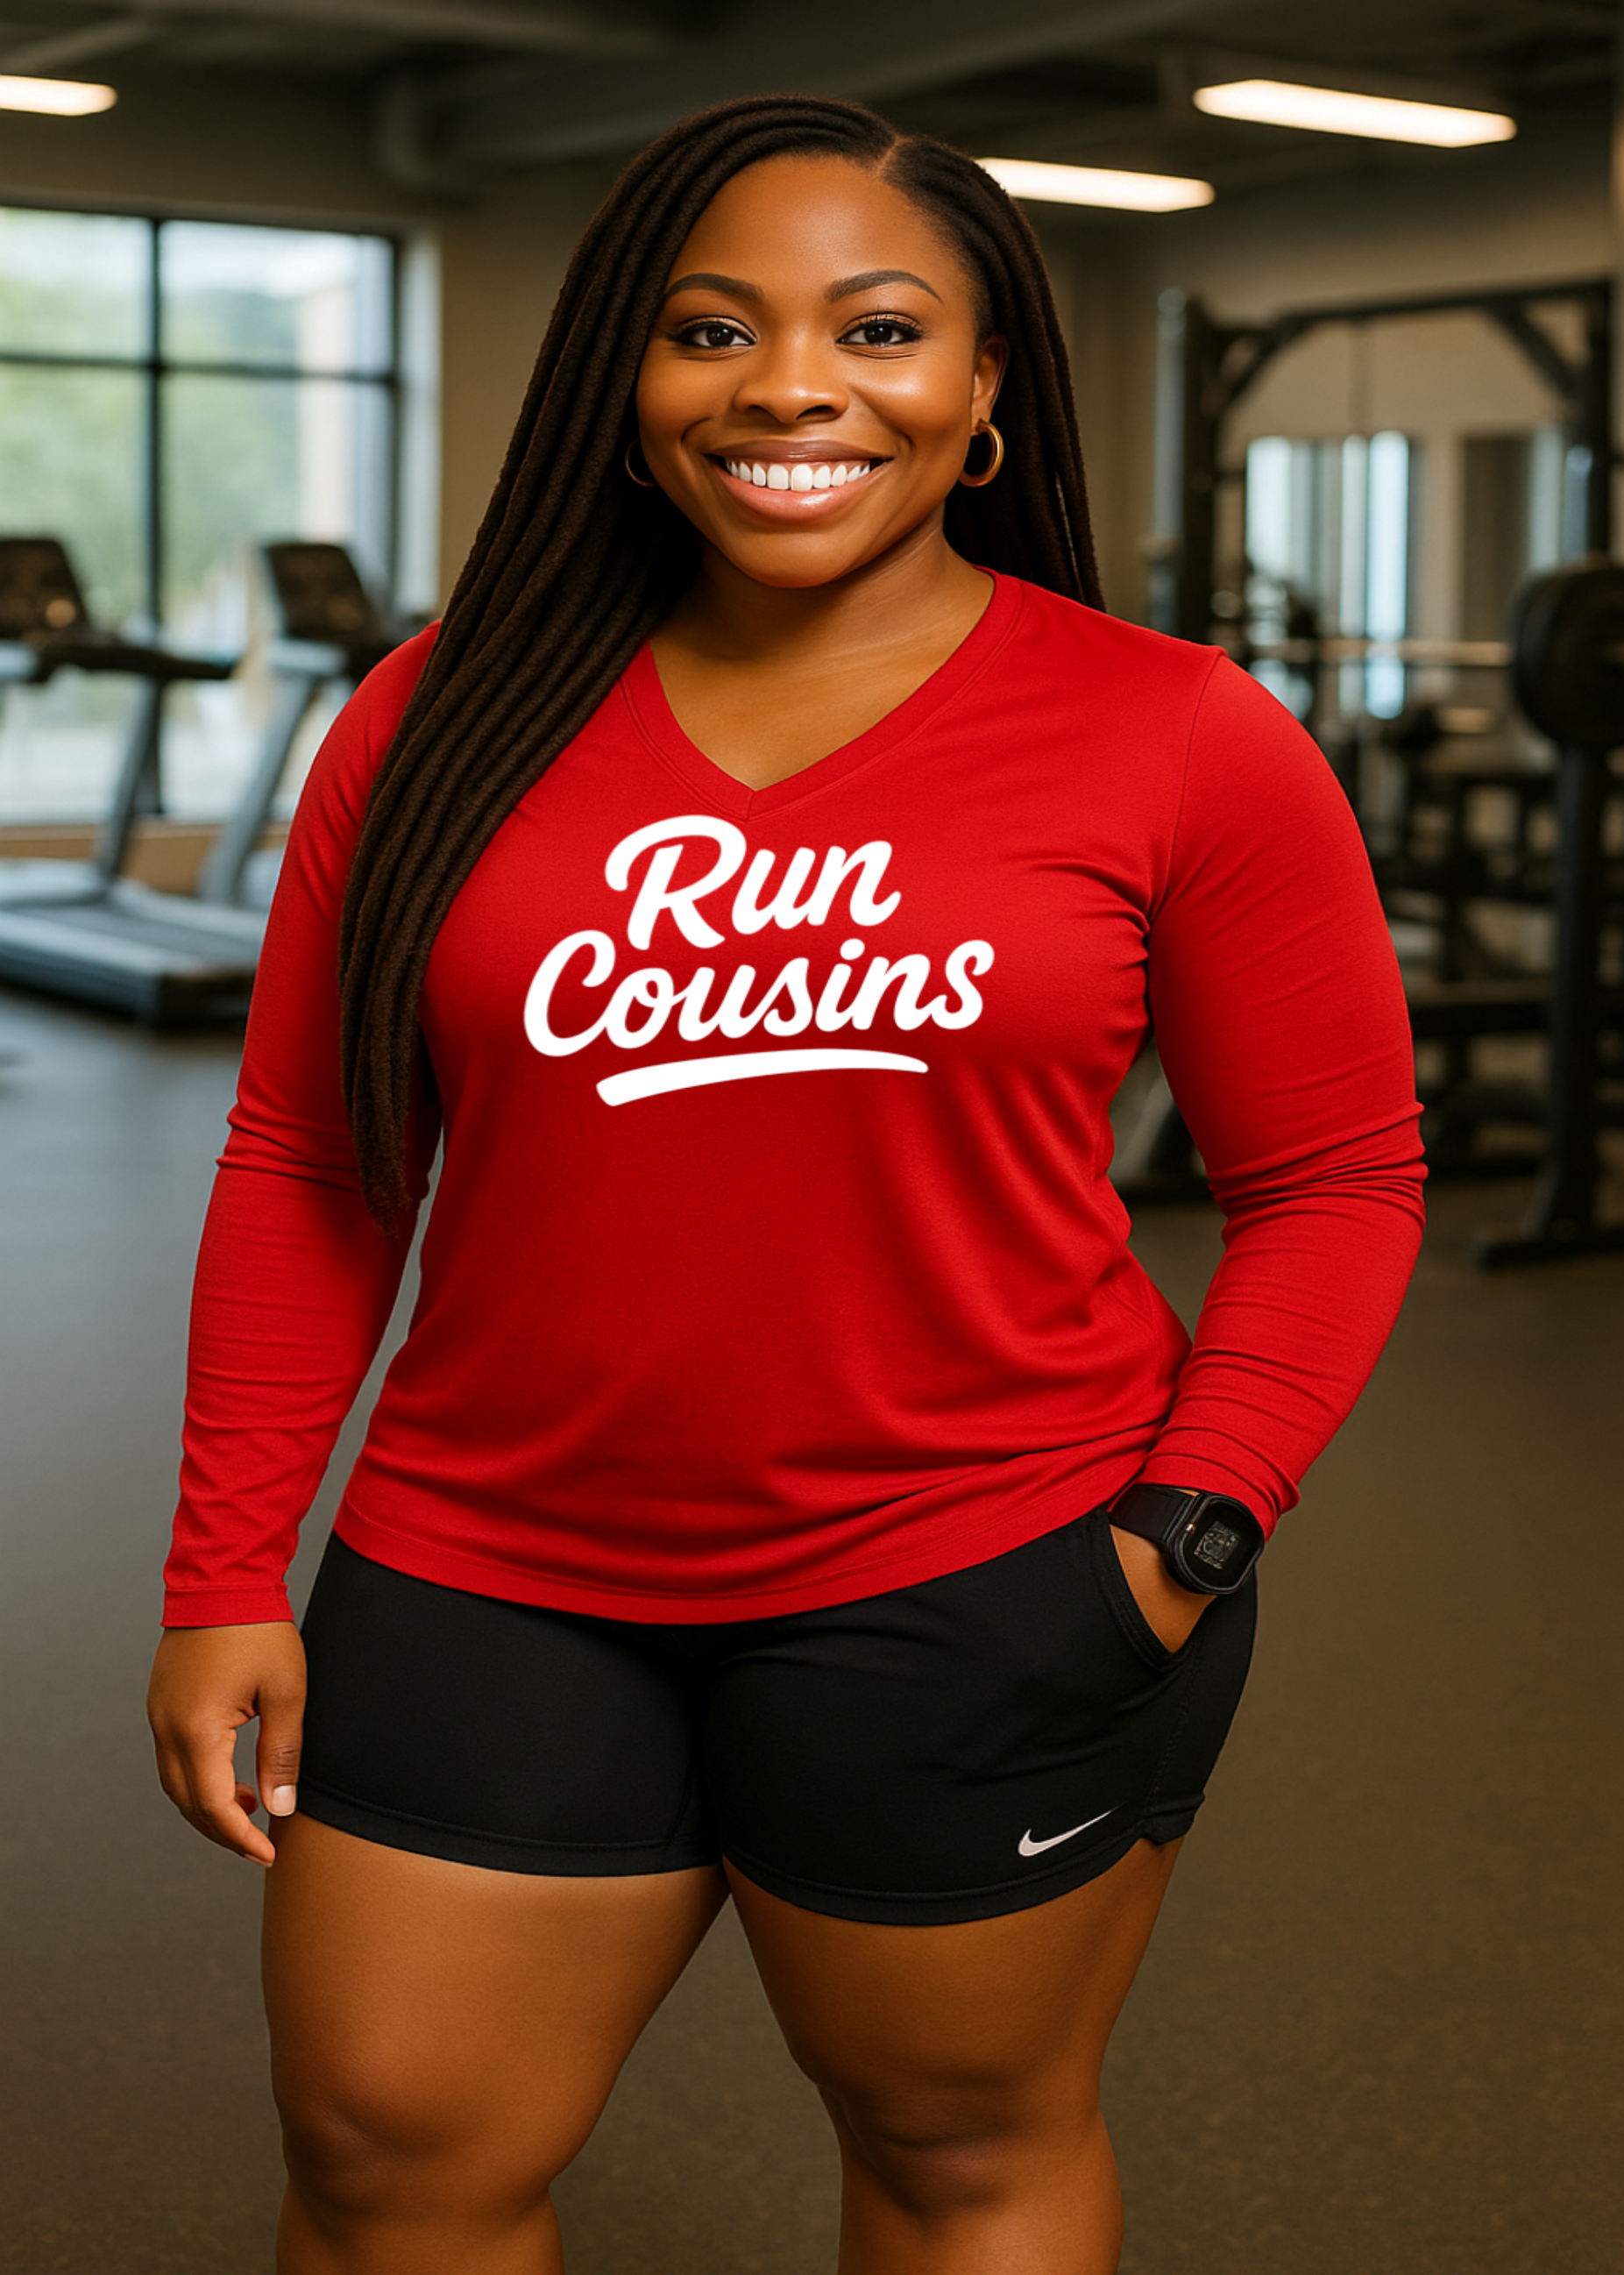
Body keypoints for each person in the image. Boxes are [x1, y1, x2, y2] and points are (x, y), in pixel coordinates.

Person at [147, 93, 1425, 2275]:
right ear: (623, 385)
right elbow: (311, 1153)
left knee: (956, 2152)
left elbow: (1335, 1181)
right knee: (381, 2155)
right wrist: (222, 1562)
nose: (794, 389)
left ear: (986, 387)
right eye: (712, 329)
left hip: (982, 1569)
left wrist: (1186, 1533)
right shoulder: (434, 721)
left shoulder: (1176, 734)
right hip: (493, 1558)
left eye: (881, 327)